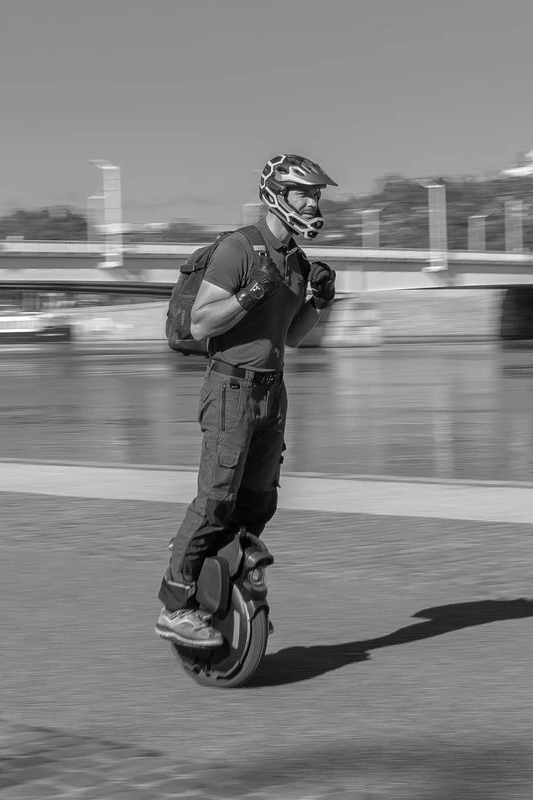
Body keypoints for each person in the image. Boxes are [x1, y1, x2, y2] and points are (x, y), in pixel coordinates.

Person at [155, 154, 338, 647]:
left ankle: (224, 581)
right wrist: (248, 296)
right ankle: (177, 604)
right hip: (231, 387)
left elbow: (295, 338)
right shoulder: (240, 249)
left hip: (272, 392)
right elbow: (201, 323)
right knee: (216, 499)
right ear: (277, 195)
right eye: (305, 193)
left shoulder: (296, 262)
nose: (314, 203)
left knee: (260, 500)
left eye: (317, 194)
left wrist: (319, 303)